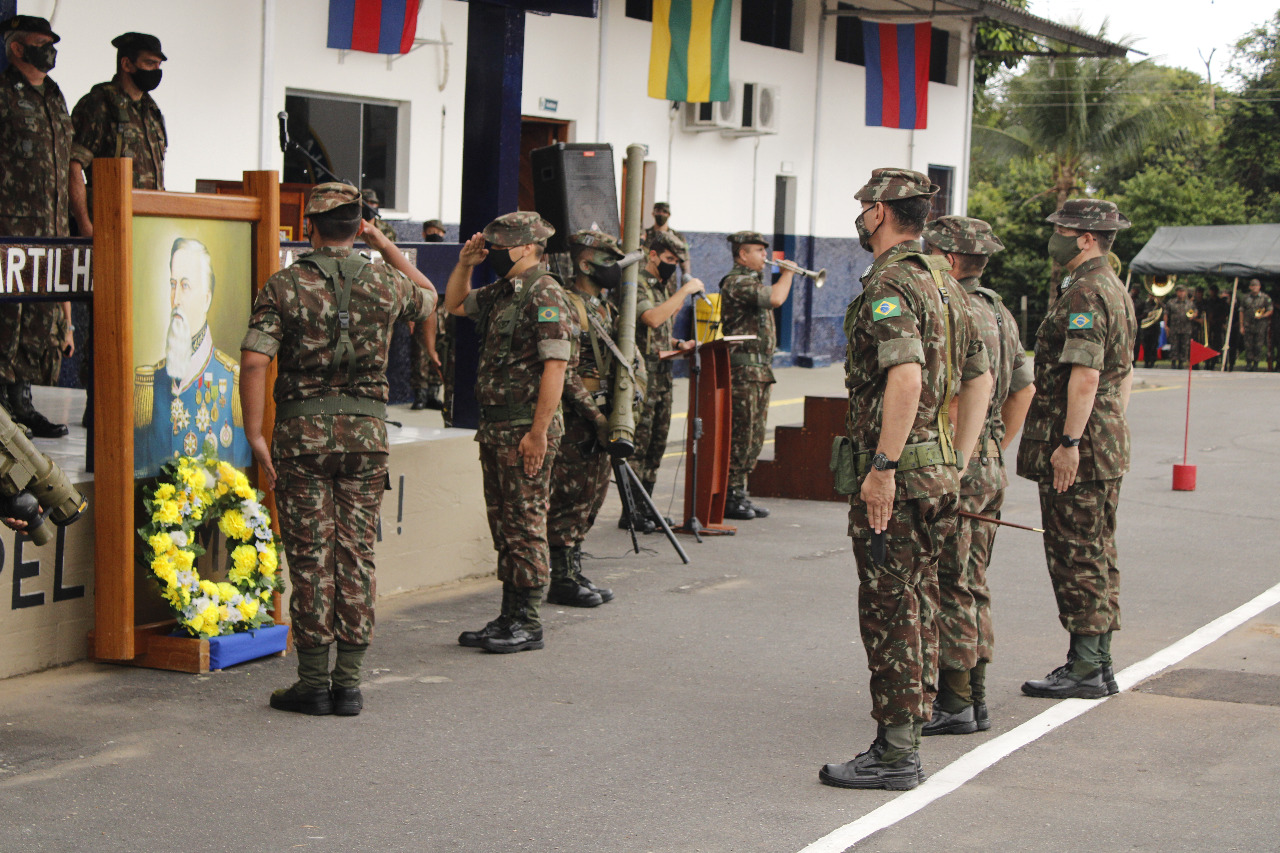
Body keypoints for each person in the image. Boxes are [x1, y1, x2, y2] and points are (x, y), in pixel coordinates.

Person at [819, 168, 991, 791]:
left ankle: (895, 754)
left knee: (891, 610)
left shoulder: (893, 282)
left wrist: (886, 467)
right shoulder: (945, 283)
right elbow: (980, 378)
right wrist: (958, 458)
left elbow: (907, 378)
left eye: (866, 204)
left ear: (880, 213)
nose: (861, 213)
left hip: (905, 475)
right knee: (917, 602)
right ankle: (907, 737)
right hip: (939, 470)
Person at [240, 182, 436, 716]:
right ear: (358, 226)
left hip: (302, 441)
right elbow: (431, 295)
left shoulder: (283, 285)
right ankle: (348, 684)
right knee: (356, 555)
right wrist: (385, 244)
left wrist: (256, 434)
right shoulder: (385, 281)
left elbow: (256, 361)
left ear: (310, 226)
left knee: (310, 557)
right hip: (367, 441)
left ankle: (312, 683)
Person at [1017, 198, 1136, 701]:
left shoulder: (1087, 291)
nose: (1055, 236)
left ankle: (1087, 666)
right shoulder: (1113, 287)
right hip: (1105, 439)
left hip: (1081, 444)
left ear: (1086, 238)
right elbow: (1123, 374)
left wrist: (1069, 443)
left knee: (1076, 553)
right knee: (1096, 549)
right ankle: (1097, 661)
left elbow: (1086, 375)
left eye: (1061, 229)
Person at [919, 216, 1035, 737]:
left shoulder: (955, 308)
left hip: (956, 460)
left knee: (950, 582)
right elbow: (1022, 392)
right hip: (987, 459)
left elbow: (964, 392)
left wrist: (960, 456)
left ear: (950, 257)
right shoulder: (1001, 312)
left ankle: (957, 700)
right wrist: (992, 447)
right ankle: (976, 694)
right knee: (972, 579)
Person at [445, 212, 573, 654]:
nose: (494, 254)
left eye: (499, 248)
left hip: (525, 429)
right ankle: (509, 614)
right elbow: (455, 305)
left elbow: (555, 366)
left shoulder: (546, 292)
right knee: (505, 527)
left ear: (523, 247)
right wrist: (465, 263)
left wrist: (538, 434)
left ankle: (529, 621)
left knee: (526, 526)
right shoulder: (505, 290)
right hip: (497, 428)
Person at [0, 15, 91, 439]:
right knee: (7, 322)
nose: (49, 49)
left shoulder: (55, 97)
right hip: (9, 232)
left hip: (50, 232)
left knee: (38, 324)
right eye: (41, 43)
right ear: (17, 48)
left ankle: (22, 406)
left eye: (52, 43)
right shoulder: (2, 94)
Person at [548, 230, 637, 606]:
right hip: (577, 417)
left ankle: (573, 568)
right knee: (570, 498)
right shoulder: (569, 304)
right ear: (585, 264)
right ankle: (561, 578)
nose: (613, 269)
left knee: (592, 497)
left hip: (601, 412)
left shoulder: (604, 305)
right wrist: (596, 417)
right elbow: (564, 371)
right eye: (606, 261)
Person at [134, 238, 251, 476]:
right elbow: (138, 471)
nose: (175, 299)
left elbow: (242, 475)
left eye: (185, 286)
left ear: (206, 299)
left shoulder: (231, 381)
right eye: (172, 284)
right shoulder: (151, 383)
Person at [621, 231, 703, 532]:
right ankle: (631, 510)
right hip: (642, 378)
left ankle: (647, 507)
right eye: (669, 259)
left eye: (677, 261)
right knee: (639, 447)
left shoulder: (659, 284)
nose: (673, 266)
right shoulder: (635, 283)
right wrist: (684, 291)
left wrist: (677, 342)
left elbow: (658, 331)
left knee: (657, 445)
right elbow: (652, 319)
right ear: (652, 255)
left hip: (663, 375)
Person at [718, 231, 794, 520]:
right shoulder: (736, 282)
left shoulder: (752, 282)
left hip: (760, 369)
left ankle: (740, 492)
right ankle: (729, 494)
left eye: (765, 251)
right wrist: (787, 274)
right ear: (742, 255)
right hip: (743, 370)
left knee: (754, 436)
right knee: (741, 434)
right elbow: (775, 299)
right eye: (758, 251)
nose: (765, 256)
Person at [71, 32, 167, 193]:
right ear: (126, 64)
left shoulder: (151, 110)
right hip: (107, 212)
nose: (156, 71)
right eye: (150, 63)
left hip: (147, 214)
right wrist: (83, 219)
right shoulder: (99, 104)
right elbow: (72, 167)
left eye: (159, 65)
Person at [641, 202, 689, 275]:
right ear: (653, 214)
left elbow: (685, 263)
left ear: (669, 215)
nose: (661, 214)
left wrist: (686, 280)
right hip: (647, 279)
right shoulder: (645, 235)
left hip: (669, 281)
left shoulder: (677, 237)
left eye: (664, 212)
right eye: (658, 211)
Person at [1238, 278, 1273, 371]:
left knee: (1259, 345)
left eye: (1256, 286)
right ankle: (1249, 363)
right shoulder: (1245, 298)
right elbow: (1241, 311)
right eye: (1253, 286)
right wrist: (1241, 325)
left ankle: (1256, 363)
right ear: (1250, 287)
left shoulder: (1265, 297)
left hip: (1260, 325)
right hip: (1248, 324)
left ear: (1259, 287)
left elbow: (1270, 310)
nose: (1254, 288)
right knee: (1248, 345)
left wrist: (1262, 316)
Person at [1164, 284, 1196, 370]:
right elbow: (1166, 314)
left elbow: (1195, 312)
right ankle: (1173, 362)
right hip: (1174, 328)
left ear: (1185, 292)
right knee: (1174, 345)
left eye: (1182, 291)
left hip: (1186, 328)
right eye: (1179, 291)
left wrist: (1192, 316)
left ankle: (1181, 362)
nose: (1181, 293)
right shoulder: (1171, 302)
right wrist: (1166, 326)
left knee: (1184, 346)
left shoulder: (1190, 303)